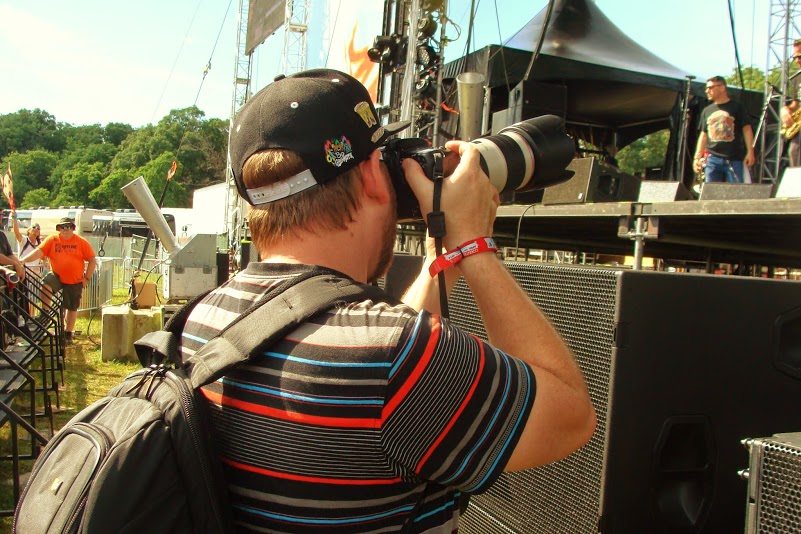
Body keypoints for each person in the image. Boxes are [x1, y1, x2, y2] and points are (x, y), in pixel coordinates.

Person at [181, 69, 595, 532]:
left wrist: (442, 258)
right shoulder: (395, 356)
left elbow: (376, 375)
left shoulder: (202, 318)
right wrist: (474, 244)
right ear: (375, 177)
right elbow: (571, 414)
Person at [20, 217, 96, 344]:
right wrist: (22, 261)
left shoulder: (81, 241)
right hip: (57, 275)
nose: (66, 229)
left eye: (69, 226)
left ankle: (68, 333)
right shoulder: (52, 239)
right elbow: (38, 252)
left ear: (73, 228)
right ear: (59, 228)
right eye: (63, 227)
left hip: (74, 279)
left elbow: (92, 260)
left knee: (72, 307)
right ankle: (45, 313)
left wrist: (87, 278)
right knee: (46, 284)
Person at [693, 76, 756, 183]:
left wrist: (750, 151)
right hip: (712, 158)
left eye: (710, 88)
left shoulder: (737, 107)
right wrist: (697, 157)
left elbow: (747, 129)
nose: (707, 91)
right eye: (706, 88)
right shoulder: (706, 111)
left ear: (722, 88)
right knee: (710, 190)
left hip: (734, 158)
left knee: (735, 190)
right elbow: (703, 135)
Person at [781, 39, 801, 167]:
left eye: (800, 56)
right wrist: (785, 110)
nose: (797, 60)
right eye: (795, 57)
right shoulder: (797, 78)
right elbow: (795, 103)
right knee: (794, 151)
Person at [11, 211, 45, 276]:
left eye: (38, 228)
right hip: (23, 272)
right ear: (28, 230)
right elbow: (16, 232)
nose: (36, 229)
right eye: (34, 227)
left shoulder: (40, 243)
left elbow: (43, 257)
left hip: (35, 274)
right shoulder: (24, 240)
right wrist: (14, 218)